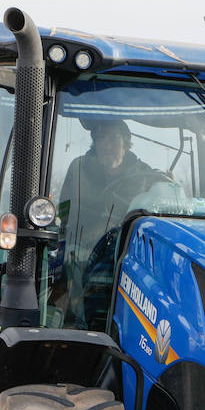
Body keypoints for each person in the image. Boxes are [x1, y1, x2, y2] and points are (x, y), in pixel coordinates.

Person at [54, 119, 164, 328]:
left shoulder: (145, 175)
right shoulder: (79, 169)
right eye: (101, 139)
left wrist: (168, 184)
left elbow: (160, 208)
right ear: (94, 144)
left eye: (114, 138)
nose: (107, 145)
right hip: (85, 246)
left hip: (127, 251)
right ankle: (79, 323)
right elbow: (66, 214)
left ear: (126, 142)